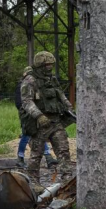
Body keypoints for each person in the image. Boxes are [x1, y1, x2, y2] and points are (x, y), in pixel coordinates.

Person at [20, 51, 74, 186]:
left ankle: (67, 179)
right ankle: (33, 182)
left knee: (63, 150)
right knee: (36, 154)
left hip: (56, 121)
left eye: (51, 65)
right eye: (47, 65)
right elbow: (26, 102)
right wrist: (39, 116)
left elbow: (60, 94)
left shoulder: (52, 79)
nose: (50, 67)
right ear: (40, 65)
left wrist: (68, 107)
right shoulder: (30, 80)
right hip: (40, 124)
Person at [15, 66, 55, 169]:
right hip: (27, 115)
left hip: (35, 113)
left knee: (40, 134)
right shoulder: (22, 85)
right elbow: (20, 102)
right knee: (26, 135)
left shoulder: (35, 85)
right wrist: (28, 112)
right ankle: (20, 159)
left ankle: (48, 157)